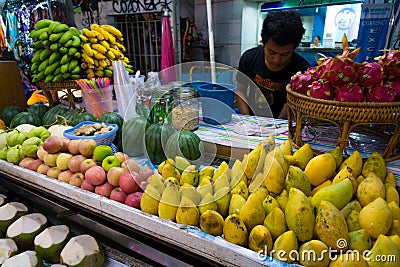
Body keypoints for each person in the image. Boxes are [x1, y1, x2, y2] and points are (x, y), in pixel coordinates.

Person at [237, 10, 310, 119]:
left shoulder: (301, 70)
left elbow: (290, 104)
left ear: (294, 48)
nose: (276, 60)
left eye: (285, 54)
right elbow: (240, 91)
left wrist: (275, 126)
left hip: (283, 124)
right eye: (272, 52)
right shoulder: (249, 58)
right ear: (263, 43)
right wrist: (247, 121)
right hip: (253, 120)